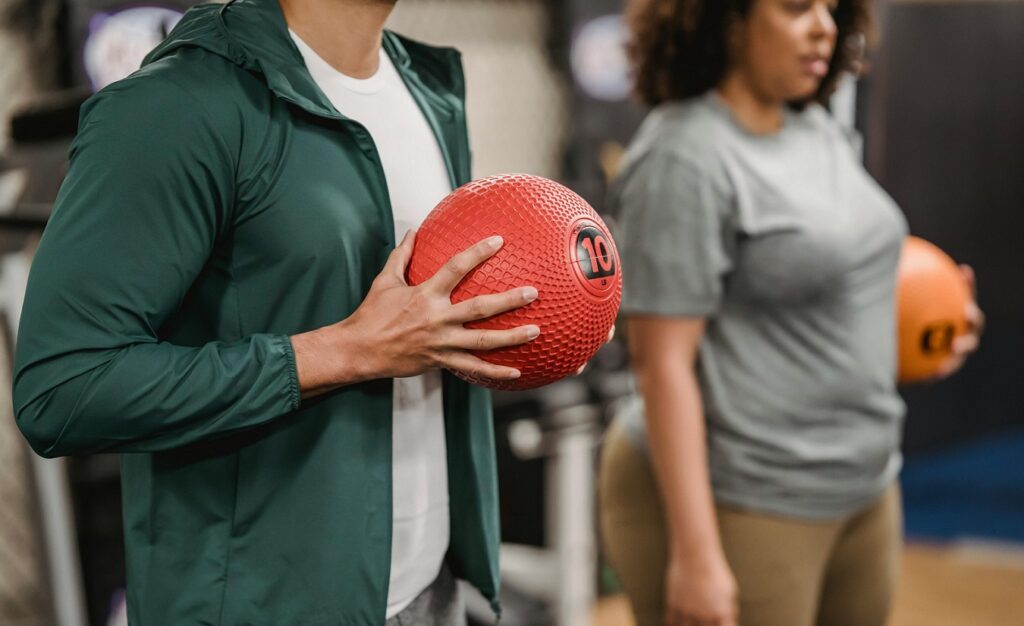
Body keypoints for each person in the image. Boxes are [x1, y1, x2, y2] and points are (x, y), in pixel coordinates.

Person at [13, 0, 544, 623]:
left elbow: (420, 328)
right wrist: (342, 352)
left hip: (432, 590)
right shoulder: (175, 106)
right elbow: (62, 389)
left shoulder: (429, 89)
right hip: (264, 607)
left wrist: (546, 324)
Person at [597, 1, 984, 626]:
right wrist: (697, 557)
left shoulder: (815, 128)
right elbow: (661, 364)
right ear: (727, 18)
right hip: (751, 495)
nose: (824, 26)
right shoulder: (684, 156)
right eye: (797, 6)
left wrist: (927, 333)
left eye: (833, 8)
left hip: (865, 481)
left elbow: (828, 285)